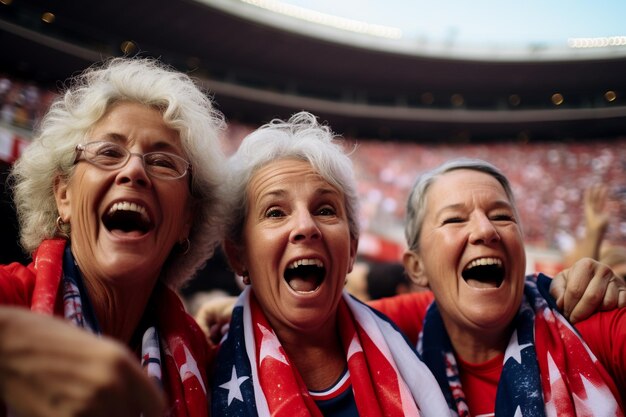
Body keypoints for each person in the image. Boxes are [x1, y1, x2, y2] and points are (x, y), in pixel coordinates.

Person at [0, 57, 226, 417]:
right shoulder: (9, 299)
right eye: (108, 152)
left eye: (163, 162)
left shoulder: (207, 358)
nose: (134, 170)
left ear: (188, 219)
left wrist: (246, 318)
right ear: (64, 195)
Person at [211, 111, 451, 416]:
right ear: (237, 255)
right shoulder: (203, 371)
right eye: (275, 212)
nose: (305, 226)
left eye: (325, 210)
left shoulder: (407, 335)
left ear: (352, 248)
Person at [373, 158, 625, 416]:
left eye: (502, 216)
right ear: (417, 267)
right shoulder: (383, 333)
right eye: (454, 219)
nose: (486, 229)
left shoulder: (585, 322)